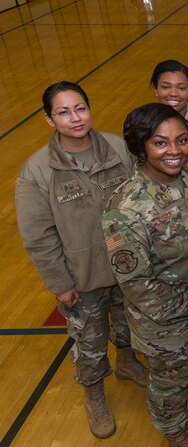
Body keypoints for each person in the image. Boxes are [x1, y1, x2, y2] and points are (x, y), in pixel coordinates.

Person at [16, 82, 147, 439]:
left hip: (127, 268)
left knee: (127, 325)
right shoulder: (38, 171)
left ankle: (127, 363)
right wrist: (60, 284)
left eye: (80, 108)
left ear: (90, 109)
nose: (75, 118)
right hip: (82, 277)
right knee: (89, 343)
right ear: (49, 119)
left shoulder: (118, 148)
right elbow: (38, 236)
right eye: (63, 112)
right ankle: (94, 394)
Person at [102, 103, 188, 447]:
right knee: (170, 381)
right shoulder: (126, 208)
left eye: (183, 140)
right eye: (161, 143)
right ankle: (175, 432)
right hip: (164, 318)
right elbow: (137, 285)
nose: (175, 151)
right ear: (140, 147)